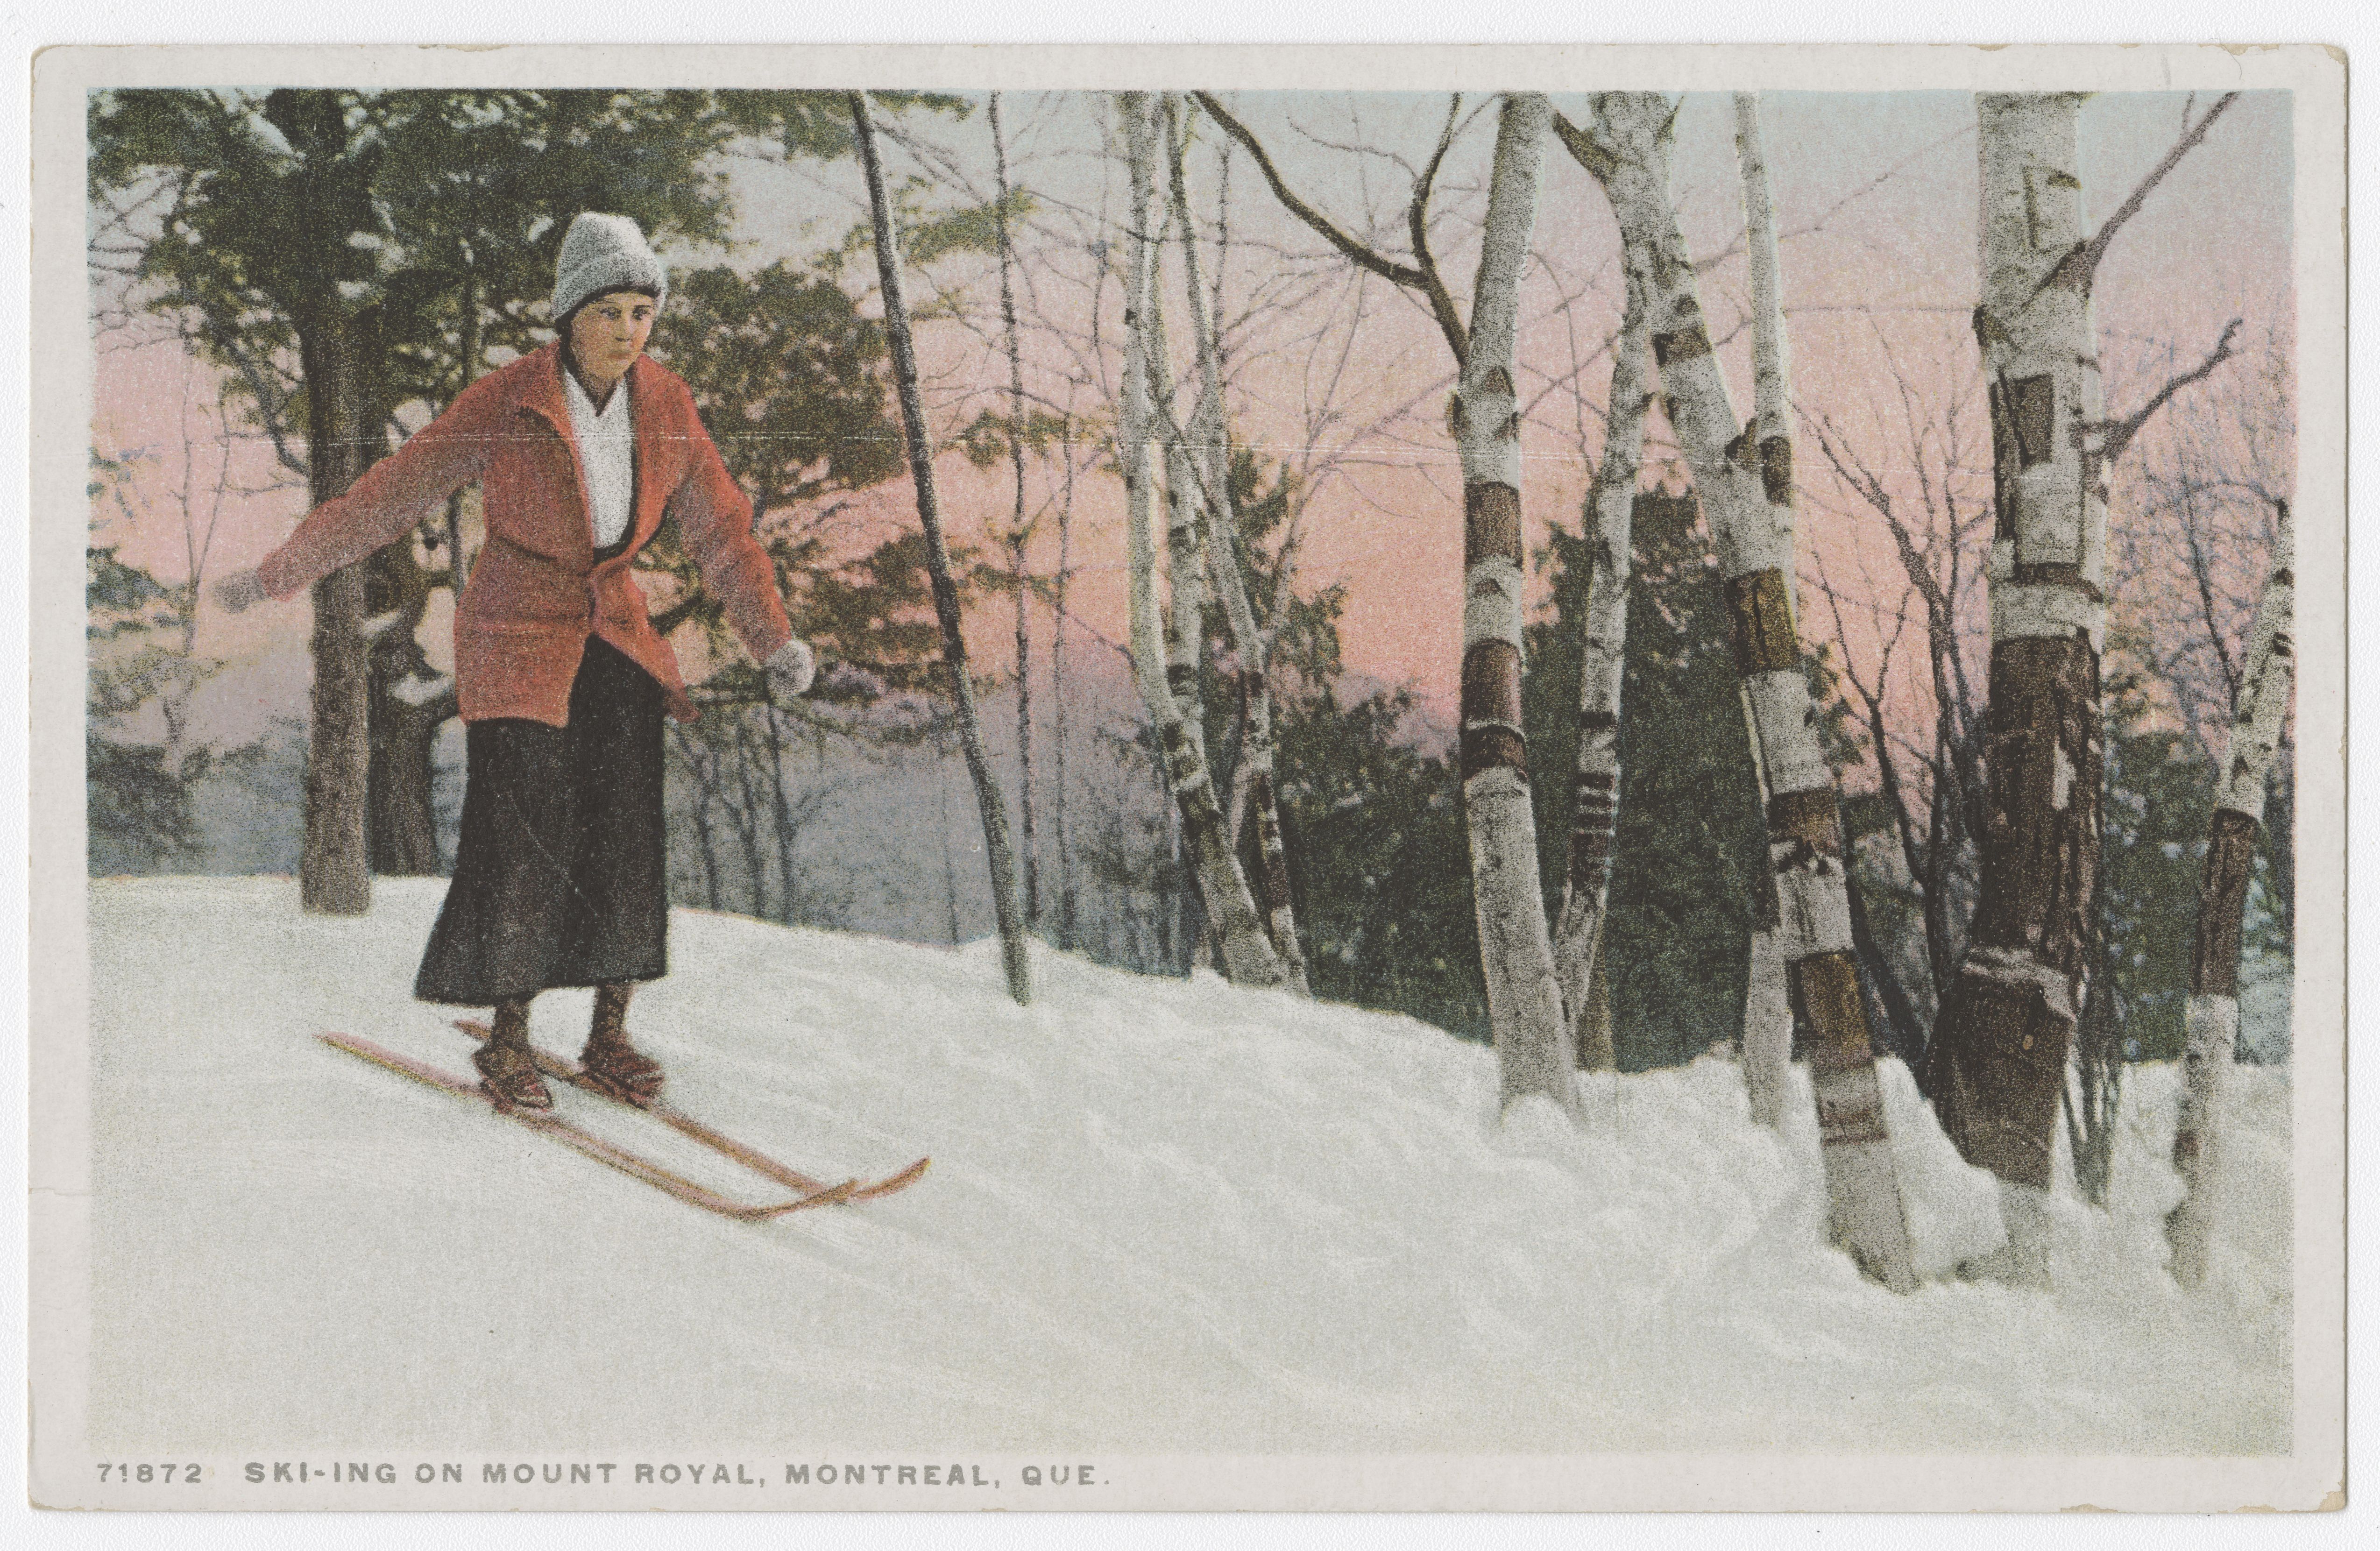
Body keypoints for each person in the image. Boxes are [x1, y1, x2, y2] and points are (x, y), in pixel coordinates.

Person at [215, 212, 815, 1112]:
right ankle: (507, 1039)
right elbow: (391, 494)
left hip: (612, 629)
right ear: (568, 316)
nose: (627, 329)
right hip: (516, 636)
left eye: (642, 310)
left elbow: (722, 529)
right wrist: (275, 575)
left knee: (624, 829)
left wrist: (773, 638)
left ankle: (608, 1033)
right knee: (524, 830)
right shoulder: (509, 399)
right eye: (607, 309)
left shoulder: (666, 402)